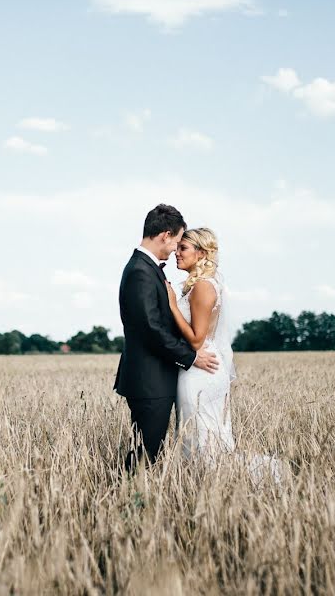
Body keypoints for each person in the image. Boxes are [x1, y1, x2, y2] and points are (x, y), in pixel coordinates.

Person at [166, 227, 283, 483]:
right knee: (204, 433)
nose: (176, 252)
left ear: (201, 253)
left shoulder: (204, 287)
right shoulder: (204, 284)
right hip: (204, 368)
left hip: (200, 370)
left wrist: (173, 305)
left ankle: (220, 482)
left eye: (183, 248)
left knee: (202, 434)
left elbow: (196, 339)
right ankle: (210, 485)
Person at [114, 204, 219, 472]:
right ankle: (125, 495)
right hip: (149, 380)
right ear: (165, 235)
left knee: (151, 448)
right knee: (148, 450)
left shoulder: (147, 268)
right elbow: (150, 327)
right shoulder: (140, 270)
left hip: (155, 378)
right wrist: (191, 356)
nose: (175, 249)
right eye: (176, 242)